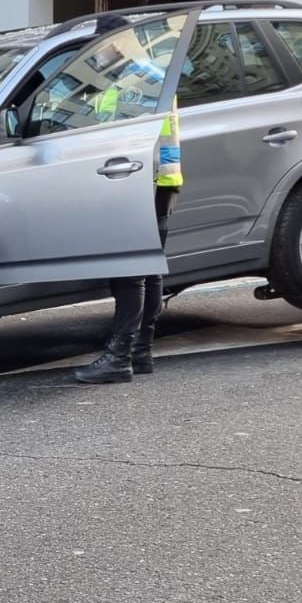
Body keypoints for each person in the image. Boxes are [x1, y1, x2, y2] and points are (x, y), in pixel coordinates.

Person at [74, 20, 183, 386]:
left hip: (139, 181)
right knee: (148, 270)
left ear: (116, 43)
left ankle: (120, 356)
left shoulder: (132, 80)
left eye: (99, 46)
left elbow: (122, 139)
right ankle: (141, 351)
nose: (95, 52)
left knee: (129, 274)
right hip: (161, 180)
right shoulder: (151, 72)